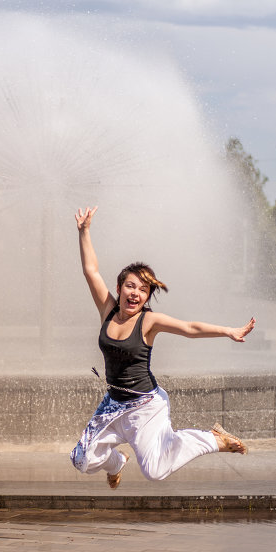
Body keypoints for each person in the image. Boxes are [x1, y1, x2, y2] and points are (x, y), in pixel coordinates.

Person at [71, 206, 256, 489]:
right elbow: (90, 270)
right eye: (130, 286)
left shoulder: (148, 322)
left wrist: (227, 331)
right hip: (113, 403)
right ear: (119, 288)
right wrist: (84, 231)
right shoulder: (107, 310)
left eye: (143, 290)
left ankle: (213, 439)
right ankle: (117, 463)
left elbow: (190, 328)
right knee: (82, 460)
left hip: (145, 406)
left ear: (146, 297)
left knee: (155, 471)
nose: (135, 293)